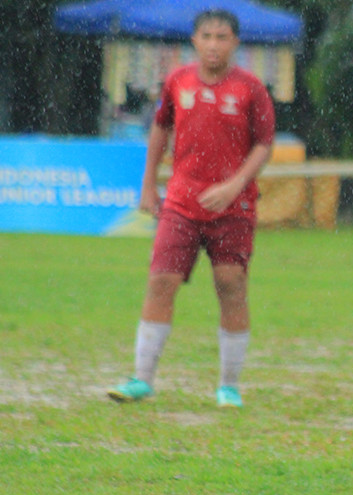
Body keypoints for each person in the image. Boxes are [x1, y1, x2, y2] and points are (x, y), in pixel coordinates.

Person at [107, 9, 275, 408]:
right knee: (160, 282)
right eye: (207, 36)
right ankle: (141, 379)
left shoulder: (251, 89)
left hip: (233, 207)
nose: (214, 44)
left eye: (222, 36)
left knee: (231, 285)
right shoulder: (177, 80)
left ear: (235, 43)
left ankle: (228, 386)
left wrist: (234, 184)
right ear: (194, 41)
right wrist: (149, 185)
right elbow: (160, 128)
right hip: (180, 203)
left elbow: (264, 143)